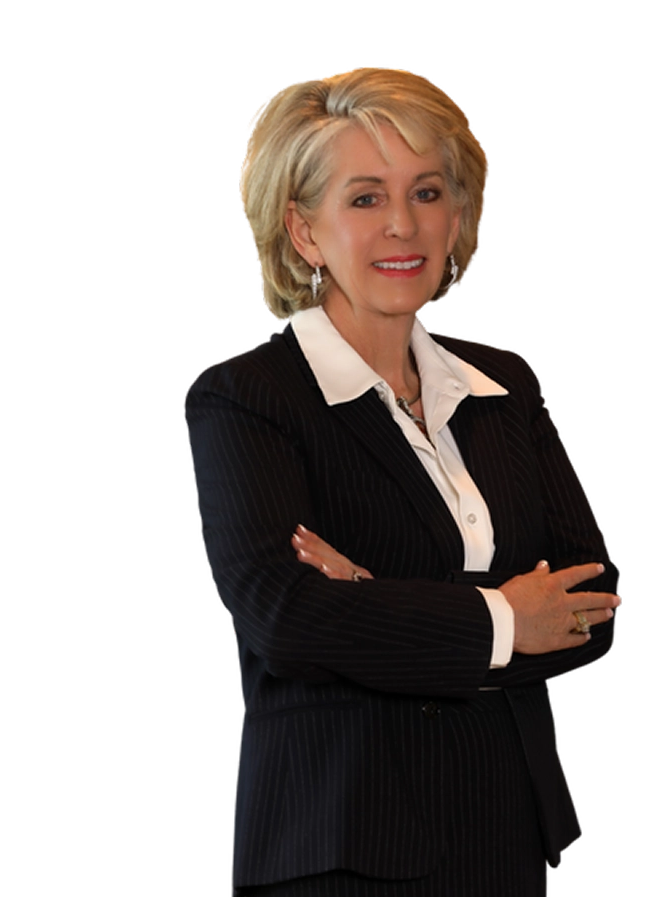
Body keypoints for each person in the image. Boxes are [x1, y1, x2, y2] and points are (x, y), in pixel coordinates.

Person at [184, 66, 620, 897]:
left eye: (426, 192)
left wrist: (373, 600)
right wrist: (504, 617)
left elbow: (591, 609)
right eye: (363, 198)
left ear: (457, 213)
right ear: (303, 230)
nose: (402, 224)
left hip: (512, 832)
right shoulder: (249, 398)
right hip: (343, 841)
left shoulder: (503, 384)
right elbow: (287, 621)